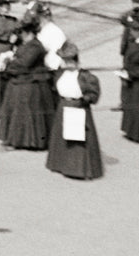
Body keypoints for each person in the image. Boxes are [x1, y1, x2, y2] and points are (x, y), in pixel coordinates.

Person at [46, 42, 104, 179]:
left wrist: (85, 99)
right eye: (64, 60)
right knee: (62, 138)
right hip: (63, 106)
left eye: (67, 61)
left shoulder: (85, 76)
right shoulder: (59, 74)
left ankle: (78, 169)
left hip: (77, 107)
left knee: (78, 140)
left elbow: (93, 94)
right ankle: (60, 164)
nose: (64, 63)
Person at [0, 19, 55, 150]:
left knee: (24, 112)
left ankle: (26, 141)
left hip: (31, 82)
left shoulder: (35, 46)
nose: (18, 34)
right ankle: (15, 139)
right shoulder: (25, 44)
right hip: (21, 80)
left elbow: (24, 63)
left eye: (20, 32)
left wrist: (9, 63)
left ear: (28, 32)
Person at [36, 3, 67, 71]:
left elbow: (38, 49)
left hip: (52, 67)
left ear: (40, 17)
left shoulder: (46, 31)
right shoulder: (56, 29)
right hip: (60, 65)